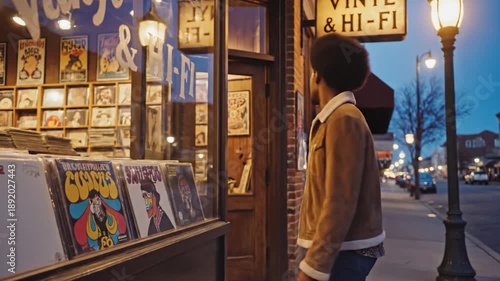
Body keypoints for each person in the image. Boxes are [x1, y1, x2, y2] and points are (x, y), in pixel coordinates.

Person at [297, 33, 385, 281]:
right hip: (340, 250)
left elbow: (340, 200)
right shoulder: (334, 119)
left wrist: (314, 266)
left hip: (343, 253)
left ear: (318, 74)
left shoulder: (343, 119)